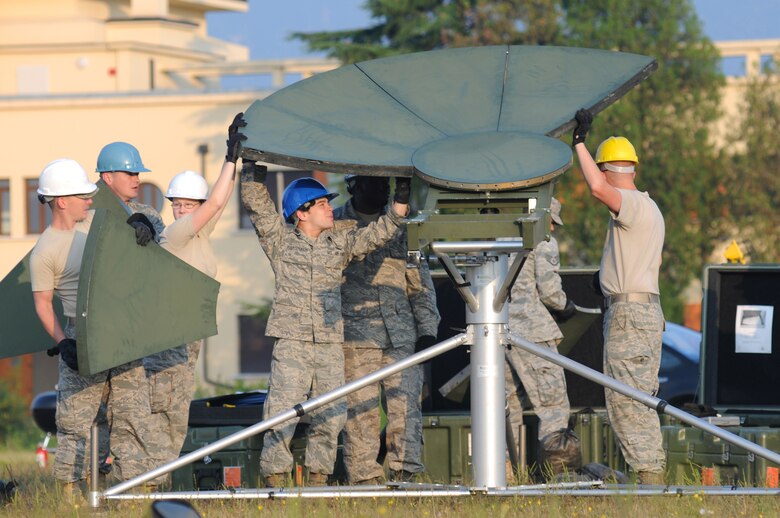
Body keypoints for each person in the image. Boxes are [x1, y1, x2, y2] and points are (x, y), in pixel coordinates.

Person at [240, 165, 410, 487]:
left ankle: (318, 481)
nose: (330, 208)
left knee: (332, 414)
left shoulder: (339, 243)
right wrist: (250, 165)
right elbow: (257, 203)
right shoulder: (280, 241)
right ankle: (276, 480)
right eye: (321, 204)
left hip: (330, 342)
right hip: (292, 341)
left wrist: (400, 200)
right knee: (281, 414)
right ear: (301, 213)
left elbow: (379, 233)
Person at [29, 159, 156, 501]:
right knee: (76, 424)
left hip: (123, 334)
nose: (89, 200)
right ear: (61, 201)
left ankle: (132, 497)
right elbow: (42, 304)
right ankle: (71, 499)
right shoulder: (44, 251)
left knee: (132, 418)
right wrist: (63, 343)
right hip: (81, 337)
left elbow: (134, 238)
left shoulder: (98, 224)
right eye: (82, 196)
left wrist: (140, 223)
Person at [143, 114, 246, 469]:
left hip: (188, 331)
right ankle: (154, 473)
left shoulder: (199, 232)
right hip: (170, 333)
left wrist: (235, 161)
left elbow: (222, 198)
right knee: (165, 407)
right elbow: (214, 204)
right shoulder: (176, 234)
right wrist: (230, 156)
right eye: (176, 204)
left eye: (188, 205)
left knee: (178, 406)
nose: (180, 210)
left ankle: (166, 471)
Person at [572, 108, 666, 485]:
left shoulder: (631, 204)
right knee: (637, 399)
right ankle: (650, 479)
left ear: (608, 170)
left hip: (630, 315)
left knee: (627, 403)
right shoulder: (650, 209)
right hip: (643, 310)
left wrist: (579, 144)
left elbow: (598, 189)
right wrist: (607, 278)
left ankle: (650, 483)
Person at [334, 175, 440, 485]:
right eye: (375, 183)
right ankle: (364, 480)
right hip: (355, 337)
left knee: (405, 408)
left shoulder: (406, 226)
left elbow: (419, 281)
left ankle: (406, 474)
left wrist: (427, 329)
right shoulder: (334, 224)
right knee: (360, 414)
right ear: (355, 186)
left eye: (387, 185)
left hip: (400, 335)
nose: (384, 190)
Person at [504, 197, 580, 478]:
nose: (553, 229)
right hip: (532, 334)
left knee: (506, 407)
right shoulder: (543, 241)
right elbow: (549, 291)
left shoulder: (498, 237)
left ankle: (504, 476)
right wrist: (565, 306)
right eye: (551, 222)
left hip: (497, 335)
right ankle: (558, 478)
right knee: (553, 406)